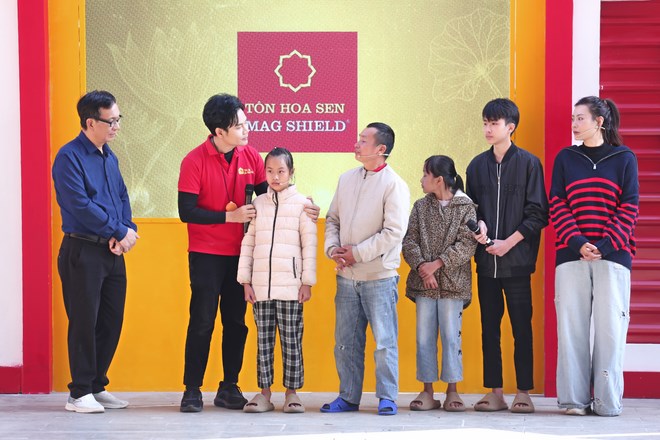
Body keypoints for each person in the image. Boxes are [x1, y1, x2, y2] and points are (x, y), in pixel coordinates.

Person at [178, 94, 319, 412]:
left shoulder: (252, 156)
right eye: (239, 125)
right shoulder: (193, 161)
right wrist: (229, 217)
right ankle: (192, 389)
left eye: (245, 123)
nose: (247, 129)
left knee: (236, 323)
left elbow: (272, 198)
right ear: (219, 132)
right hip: (206, 254)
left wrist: (304, 205)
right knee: (202, 321)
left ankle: (229, 386)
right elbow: (186, 211)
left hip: (242, 256)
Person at [550, 96, 638, 417]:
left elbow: (629, 205)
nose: (574, 124)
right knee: (571, 330)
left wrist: (606, 244)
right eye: (573, 118)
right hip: (571, 255)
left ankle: (606, 402)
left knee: (611, 331)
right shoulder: (566, 158)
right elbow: (557, 203)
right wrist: (578, 242)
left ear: (599, 122)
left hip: (613, 257)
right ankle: (574, 401)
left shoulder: (624, 158)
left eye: (580, 118)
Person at [52, 90, 139, 413]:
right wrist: (116, 230)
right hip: (82, 250)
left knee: (111, 321)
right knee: (84, 322)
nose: (117, 126)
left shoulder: (109, 156)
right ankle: (78, 393)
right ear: (91, 122)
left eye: (118, 119)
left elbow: (121, 196)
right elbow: (79, 205)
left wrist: (126, 230)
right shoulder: (69, 157)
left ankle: (96, 385)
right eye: (111, 121)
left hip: (111, 252)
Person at [321, 122, 410, 416]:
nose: (357, 144)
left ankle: (387, 397)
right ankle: (348, 397)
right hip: (346, 277)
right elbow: (332, 219)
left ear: (381, 149)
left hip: (379, 278)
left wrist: (356, 253)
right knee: (345, 342)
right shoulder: (346, 179)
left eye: (363, 140)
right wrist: (334, 250)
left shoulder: (394, 184)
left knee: (384, 342)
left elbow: (393, 232)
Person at [465, 98, 548, 413]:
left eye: (494, 123)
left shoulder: (529, 164)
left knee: (521, 328)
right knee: (489, 328)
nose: (488, 129)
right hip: (487, 262)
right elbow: (471, 209)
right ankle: (495, 392)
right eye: (485, 123)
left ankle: (523, 392)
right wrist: (479, 226)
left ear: (510, 127)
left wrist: (508, 243)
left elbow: (538, 213)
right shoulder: (476, 166)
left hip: (517, 263)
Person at [237, 147, 317, 414]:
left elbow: (309, 245)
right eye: (270, 171)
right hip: (261, 288)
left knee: (292, 341)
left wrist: (306, 282)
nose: (275, 176)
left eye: (281, 171)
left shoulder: (303, 205)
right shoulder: (258, 204)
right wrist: (245, 281)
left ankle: (292, 393)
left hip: (291, 288)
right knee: (264, 343)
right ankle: (264, 394)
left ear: (291, 172)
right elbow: (248, 243)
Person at [402, 155, 477, 413]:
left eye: (425, 174)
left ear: (439, 180)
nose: (421, 180)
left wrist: (437, 264)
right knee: (424, 338)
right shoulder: (420, 207)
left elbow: (467, 244)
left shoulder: (466, 207)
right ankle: (427, 391)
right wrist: (423, 268)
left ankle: (452, 390)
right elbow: (409, 241)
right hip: (424, 285)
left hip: (454, 284)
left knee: (451, 336)